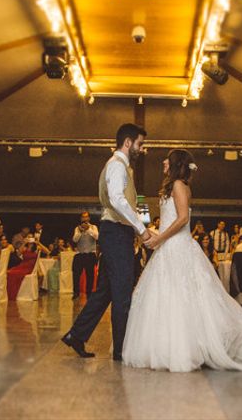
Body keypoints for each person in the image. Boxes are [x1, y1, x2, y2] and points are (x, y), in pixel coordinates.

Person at [122, 149, 242, 372]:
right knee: (166, 297)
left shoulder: (180, 186)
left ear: (175, 164)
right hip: (168, 248)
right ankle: (165, 347)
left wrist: (160, 238)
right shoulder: (172, 187)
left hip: (179, 248)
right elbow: (170, 221)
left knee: (183, 297)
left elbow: (182, 219)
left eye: (166, 159)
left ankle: (187, 349)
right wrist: (152, 233)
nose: (163, 161)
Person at [62, 123, 152, 361]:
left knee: (105, 292)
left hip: (115, 234)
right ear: (128, 142)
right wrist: (141, 229)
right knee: (122, 294)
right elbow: (117, 200)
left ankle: (76, 335)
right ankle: (122, 351)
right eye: (140, 144)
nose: (142, 149)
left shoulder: (121, 167)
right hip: (116, 233)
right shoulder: (116, 166)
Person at [72, 211, 99, 299]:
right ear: (81, 219)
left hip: (90, 254)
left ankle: (89, 293)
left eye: (86, 217)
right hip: (80, 254)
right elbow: (75, 240)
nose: (84, 219)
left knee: (90, 275)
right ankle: (76, 292)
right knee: (76, 274)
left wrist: (88, 229)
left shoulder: (93, 227)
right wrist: (80, 232)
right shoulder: (77, 228)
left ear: (89, 218)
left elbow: (97, 237)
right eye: (83, 217)